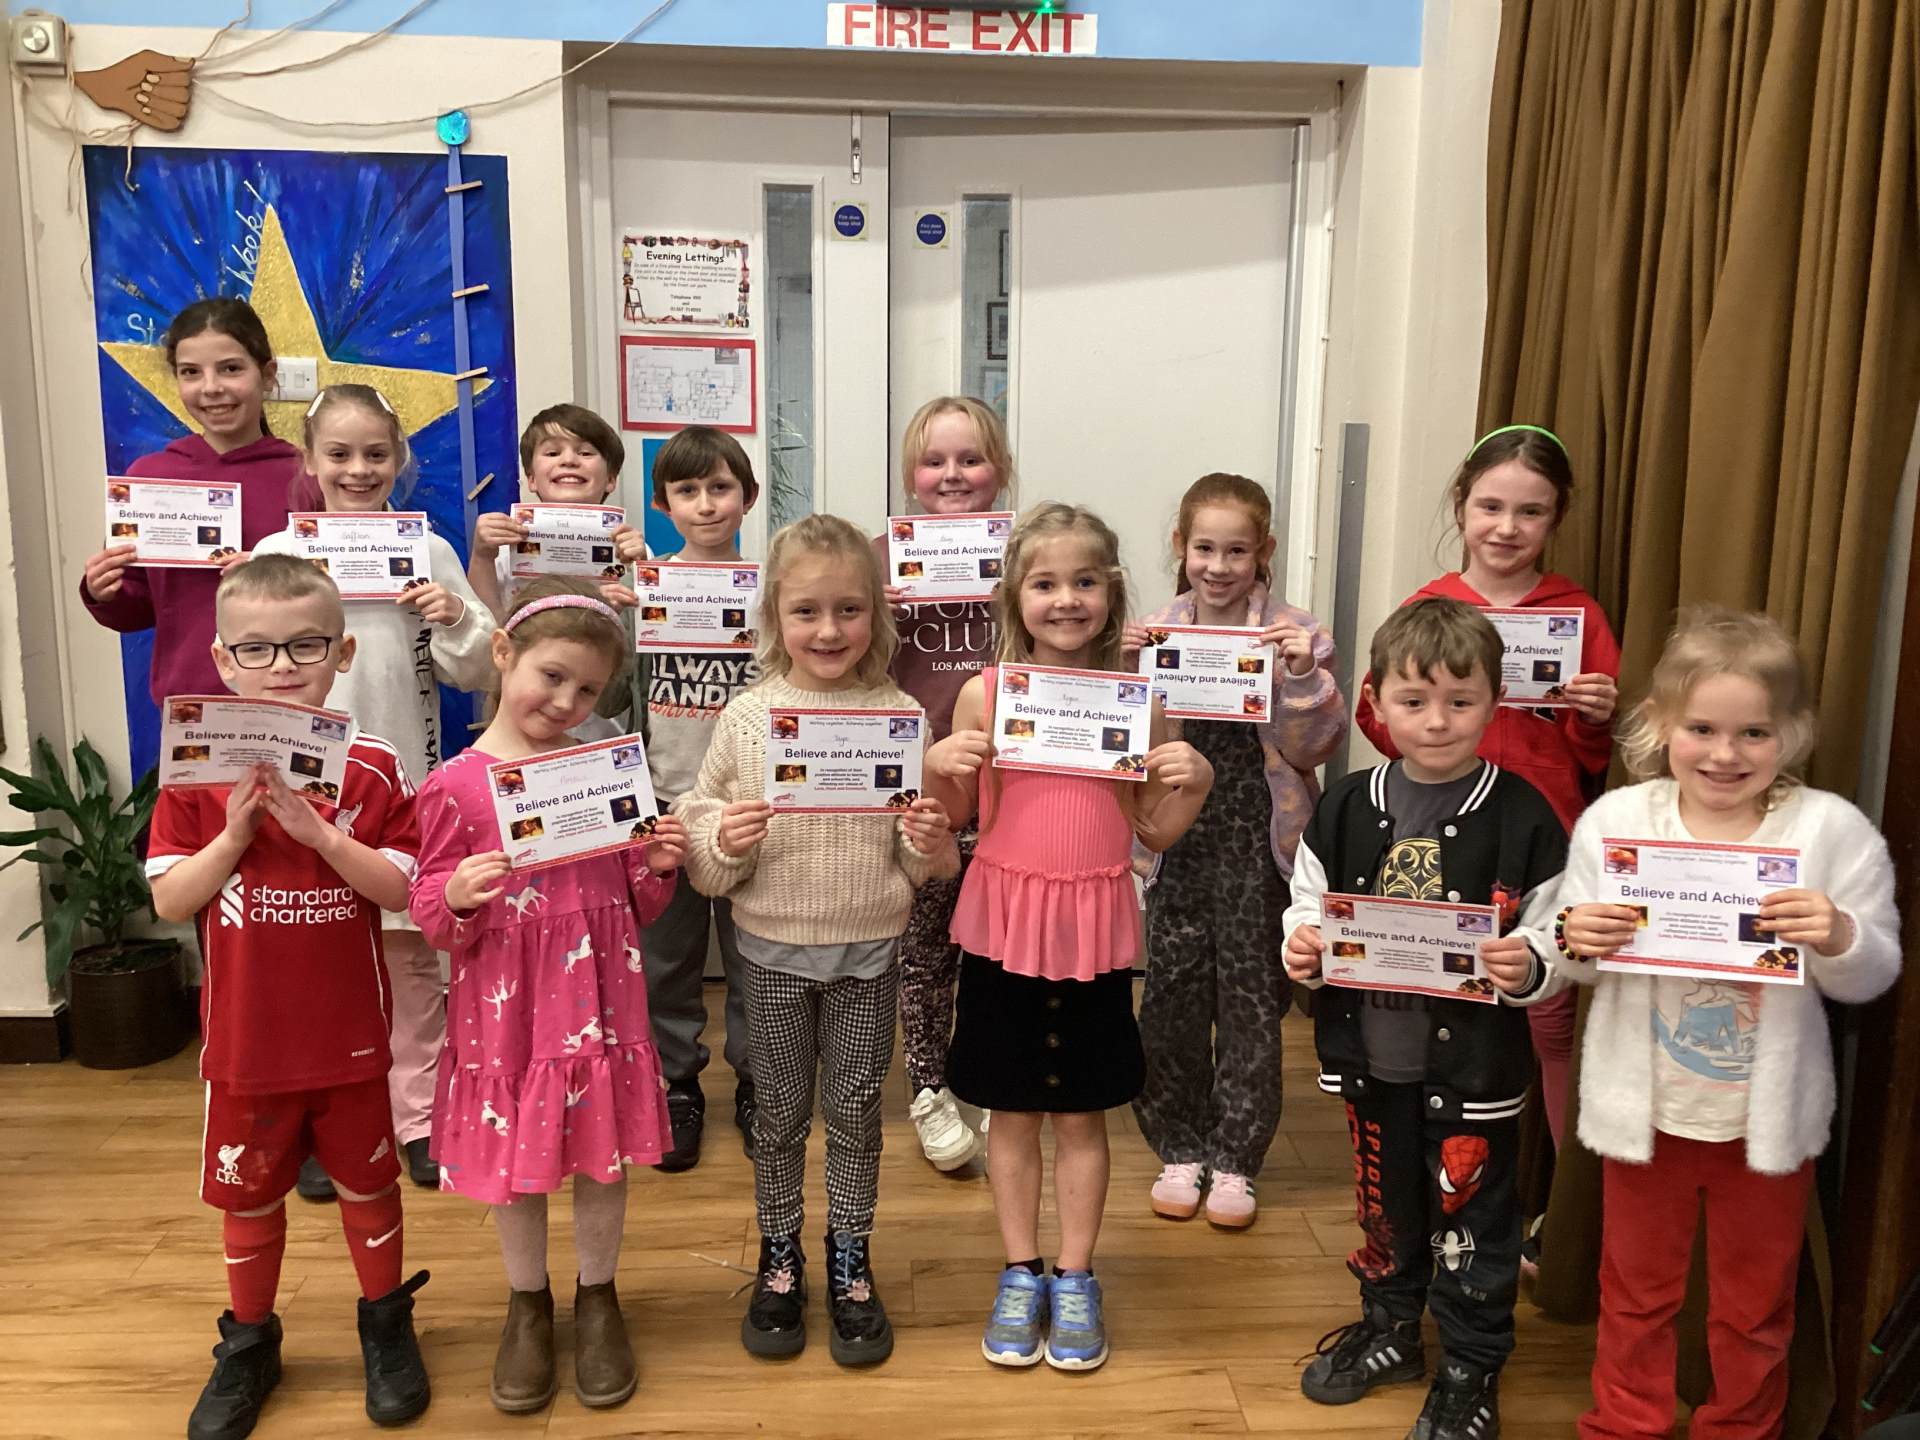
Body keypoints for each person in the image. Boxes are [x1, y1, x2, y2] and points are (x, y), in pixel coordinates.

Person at [1553, 607, 1900, 1438]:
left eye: (1753, 733)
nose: (1724, 753)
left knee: (1754, 1305)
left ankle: (1741, 1429)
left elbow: (1875, 972)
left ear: (1794, 733)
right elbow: (1570, 951)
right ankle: (1624, 1424)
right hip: (1646, 1114)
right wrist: (1575, 938)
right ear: (1660, 725)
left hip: (1764, 1122)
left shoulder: (1829, 831)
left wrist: (1839, 935)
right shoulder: (1617, 823)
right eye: (1701, 728)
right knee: (1634, 1293)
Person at [925, 502, 1214, 1372]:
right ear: (1016, 595)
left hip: (1092, 929)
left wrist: (1195, 783)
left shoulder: (1139, 701)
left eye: (1084, 581)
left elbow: (1154, 830)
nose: (1065, 600)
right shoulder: (984, 693)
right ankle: (1021, 1270)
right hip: (1005, 924)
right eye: (1045, 583)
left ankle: (1077, 1274)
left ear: (1111, 592)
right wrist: (939, 769)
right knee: (1011, 1110)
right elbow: (958, 813)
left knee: (1084, 1114)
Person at [146, 554, 429, 1439]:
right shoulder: (194, 764)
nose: (281, 666)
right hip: (246, 1041)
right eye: (256, 649)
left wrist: (321, 835)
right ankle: (249, 1342)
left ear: (342, 653)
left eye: (306, 645)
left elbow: (400, 889)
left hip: (350, 1036)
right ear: (223, 660)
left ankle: (385, 1323)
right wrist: (235, 834)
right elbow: (171, 900)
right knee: (249, 1197)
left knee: (369, 1186)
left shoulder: (373, 766)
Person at [678, 514, 959, 1367]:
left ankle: (850, 1257)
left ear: (877, 614)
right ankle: (778, 1254)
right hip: (769, 955)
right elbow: (698, 830)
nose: (828, 630)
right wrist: (724, 839)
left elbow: (921, 864)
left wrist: (925, 839)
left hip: (870, 955)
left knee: (855, 1114)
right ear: (774, 615)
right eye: (806, 611)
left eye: (848, 610)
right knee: (777, 1115)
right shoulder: (749, 718)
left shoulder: (902, 716)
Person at [1284, 597, 1568, 1439]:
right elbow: (1309, 902)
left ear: (1495, 699)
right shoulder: (1346, 805)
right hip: (1372, 1060)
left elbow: (1554, 926)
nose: (1437, 721)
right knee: (1386, 1207)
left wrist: (1531, 963)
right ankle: (1391, 1328)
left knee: (1473, 1224)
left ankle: (1471, 1368)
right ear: (1377, 701)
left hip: (1473, 1076)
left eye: (1460, 700)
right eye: (1414, 701)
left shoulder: (1523, 815)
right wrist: (1303, 945)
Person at [409, 578, 686, 1415]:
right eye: (552, 676)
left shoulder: (603, 774)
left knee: (602, 1157)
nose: (566, 702)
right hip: (509, 1013)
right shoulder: (454, 785)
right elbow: (430, 911)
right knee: (518, 1165)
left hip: (599, 1002)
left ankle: (598, 1296)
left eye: (588, 690)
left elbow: (636, 900)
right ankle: (527, 1303)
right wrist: (457, 893)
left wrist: (657, 865)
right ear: (503, 654)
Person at [253, 383, 495, 1194]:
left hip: (402, 789)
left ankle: (417, 1117)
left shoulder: (426, 550)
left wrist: (452, 615)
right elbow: (245, 663)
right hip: (304, 789)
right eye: (340, 454)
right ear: (309, 460)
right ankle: (323, 1123)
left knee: (410, 961)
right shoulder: (278, 554)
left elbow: (475, 669)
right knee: (315, 965)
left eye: (376, 454)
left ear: (400, 459)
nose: (358, 470)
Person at [1354, 425, 1619, 1152]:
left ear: (1556, 518)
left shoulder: (1578, 615)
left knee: (1550, 1021)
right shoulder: (1428, 608)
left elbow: (1592, 757)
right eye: (1491, 506)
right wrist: (1401, 715)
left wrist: (1596, 716)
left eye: (1531, 512)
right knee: (1440, 1004)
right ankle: (1438, 1173)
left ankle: (1551, 1192)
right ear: (1461, 506)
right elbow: (1385, 733)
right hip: (1440, 835)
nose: (1507, 527)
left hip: (1542, 840)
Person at [1123, 472, 1348, 1228]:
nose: (1219, 566)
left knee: (1252, 1000)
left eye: (1237, 551)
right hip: (1180, 835)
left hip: (1259, 837)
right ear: (1181, 548)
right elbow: (1126, 748)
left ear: (1264, 553)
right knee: (1173, 994)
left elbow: (1314, 748)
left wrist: (1301, 675)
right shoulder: (1153, 632)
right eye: (1204, 549)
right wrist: (1123, 673)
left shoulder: (1297, 635)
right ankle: (1179, 1145)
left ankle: (1236, 1159)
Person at [876, 395, 1014, 1172]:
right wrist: (871, 617)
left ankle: (989, 1080)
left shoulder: (1029, 559)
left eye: (971, 458)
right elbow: (835, 664)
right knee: (924, 952)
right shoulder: (878, 561)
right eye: (934, 461)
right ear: (911, 475)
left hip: (1012, 789)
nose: (953, 474)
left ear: (1001, 469)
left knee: (999, 949)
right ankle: (928, 1090)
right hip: (918, 790)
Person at [636, 426, 762, 1171]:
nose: (706, 504)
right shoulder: (642, 591)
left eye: (721, 488)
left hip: (750, 814)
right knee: (666, 960)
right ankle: (675, 1085)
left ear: (748, 497)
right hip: (665, 805)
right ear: (663, 504)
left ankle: (758, 1081)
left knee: (753, 958)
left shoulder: (773, 595)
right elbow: (613, 700)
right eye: (687, 491)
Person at [81, 298, 300, 704]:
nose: (211, 387)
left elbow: (341, 597)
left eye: (230, 368)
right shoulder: (150, 479)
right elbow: (140, 606)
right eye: (191, 372)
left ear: (267, 375)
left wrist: (273, 571)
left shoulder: (306, 477)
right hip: (190, 706)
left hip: (294, 701)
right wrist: (104, 590)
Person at [467, 403, 647, 620]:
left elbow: (648, 626)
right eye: (552, 452)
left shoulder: (629, 549)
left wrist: (641, 568)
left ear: (610, 479)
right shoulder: (505, 545)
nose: (569, 461)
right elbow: (484, 624)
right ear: (531, 479)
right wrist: (482, 556)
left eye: (585, 452)